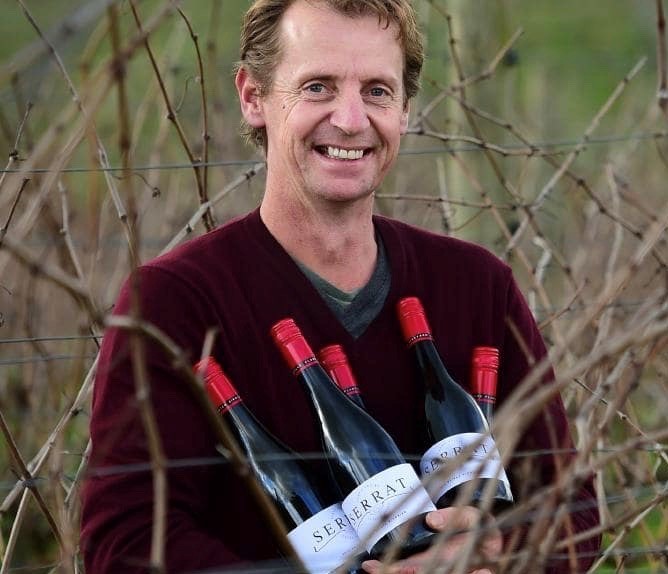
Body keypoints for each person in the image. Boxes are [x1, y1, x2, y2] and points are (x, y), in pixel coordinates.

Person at [80, 0, 601, 572]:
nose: (351, 120)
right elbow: (125, 547)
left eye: (377, 91)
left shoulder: (477, 285)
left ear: (404, 110)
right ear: (253, 97)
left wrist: (499, 551)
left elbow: (573, 509)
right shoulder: (172, 303)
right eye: (318, 87)